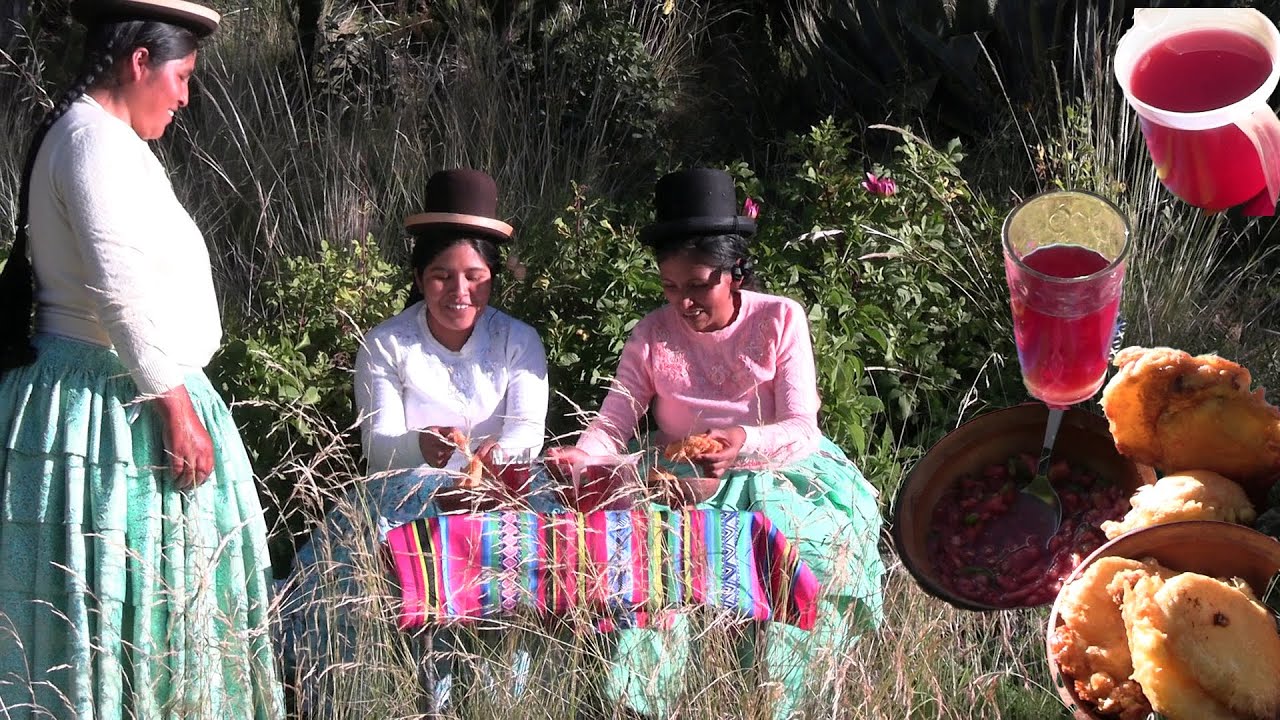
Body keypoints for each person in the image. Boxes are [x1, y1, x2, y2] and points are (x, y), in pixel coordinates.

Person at [0, 1, 284, 717]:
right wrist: (176, 404)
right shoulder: (95, 142)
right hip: (113, 399)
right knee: (116, 594)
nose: (186, 97)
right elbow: (117, 286)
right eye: (181, 77)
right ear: (138, 63)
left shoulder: (98, 138)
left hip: (111, 385)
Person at [546, 168, 886, 719]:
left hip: (779, 475)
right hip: (678, 477)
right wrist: (583, 457)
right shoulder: (651, 334)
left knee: (794, 560)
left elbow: (802, 427)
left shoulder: (780, 319)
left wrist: (742, 441)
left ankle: (779, 703)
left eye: (700, 284)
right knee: (651, 570)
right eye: (671, 287)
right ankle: (642, 703)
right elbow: (613, 423)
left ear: (734, 272)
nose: (684, 302)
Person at [278, 168, 550, 714]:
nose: (459, 292)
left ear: (492, 276)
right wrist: (421, 447)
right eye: (440, 276)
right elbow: (378, 446)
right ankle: (383, 693)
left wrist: (496, 459)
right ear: (419, 276)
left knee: (527, 541)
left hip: (502, 491)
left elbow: (527, 435)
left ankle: (500, 696)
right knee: (371, 546)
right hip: (408, 492)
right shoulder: (387, 344)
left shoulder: (518, 341)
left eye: (474, 276)